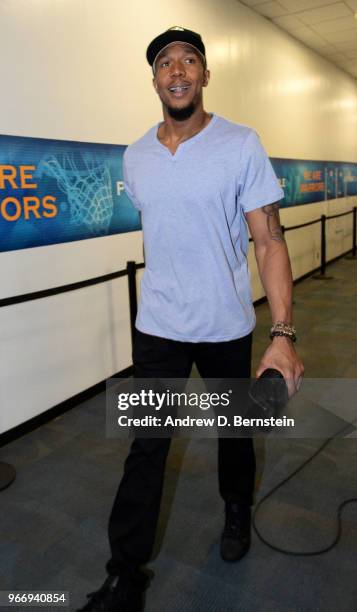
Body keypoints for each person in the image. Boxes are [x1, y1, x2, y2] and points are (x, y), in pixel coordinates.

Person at [77, 26, 304, 612]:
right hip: (157, 328)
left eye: (189, 61)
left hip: (226, 325)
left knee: (235, 434)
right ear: (153, 79)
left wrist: (282, 334)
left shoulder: (241, 143)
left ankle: (236, 510)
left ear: (205, 75)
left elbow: (270, 240)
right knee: (146, 447)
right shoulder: (137, 155)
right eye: (165, 64)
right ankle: (125, 574)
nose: (177, 71)